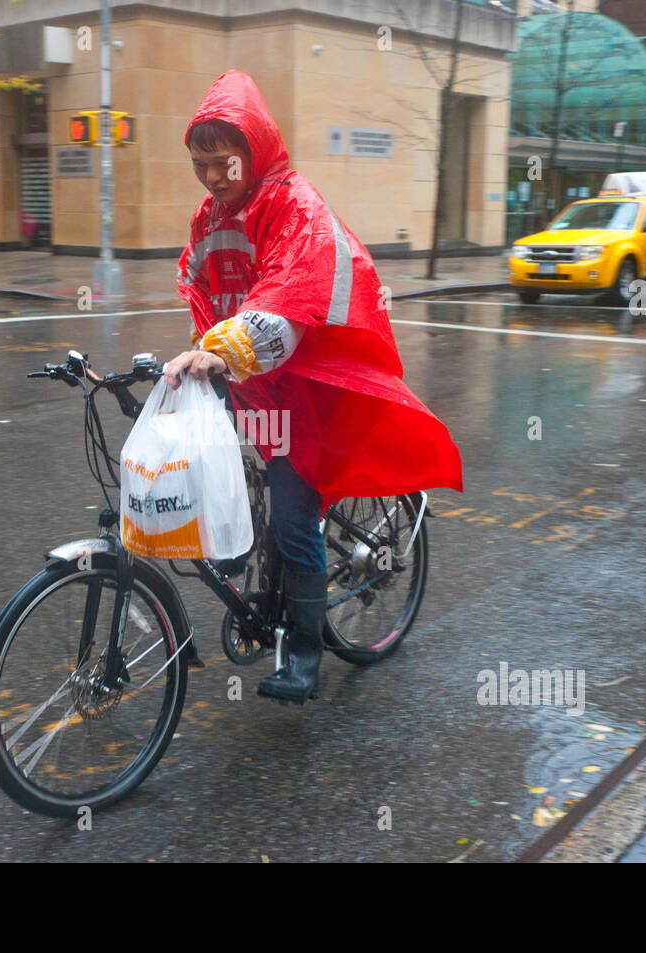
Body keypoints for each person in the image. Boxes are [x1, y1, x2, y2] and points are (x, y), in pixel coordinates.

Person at [164, 70, 462, 705]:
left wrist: (220, 351)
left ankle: (304, 652)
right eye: (200, 165)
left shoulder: (294, 205)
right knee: (227, 480)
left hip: (307, 389)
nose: (213, 177)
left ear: (255, 149)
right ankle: (257, 574)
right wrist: (198, 354)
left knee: (294, 517)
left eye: (223, 162)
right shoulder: (210, 216)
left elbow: (288, 297)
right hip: (251, 382)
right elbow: (201, 284)